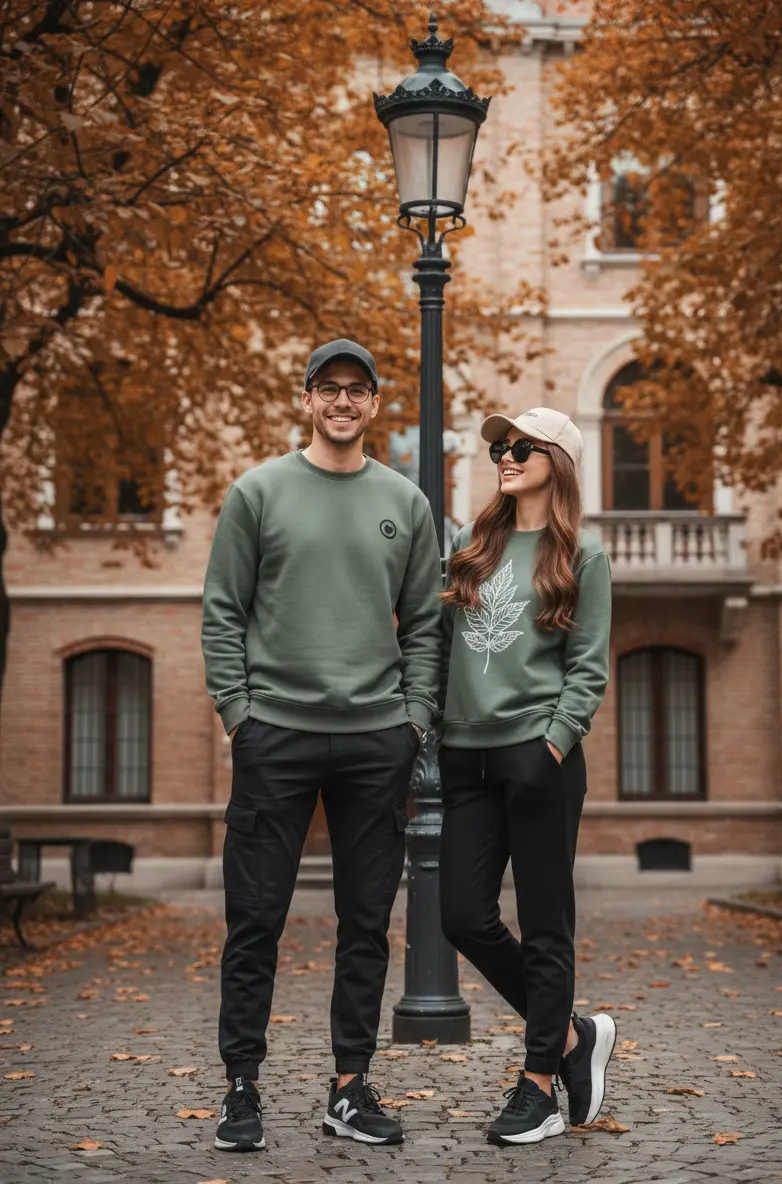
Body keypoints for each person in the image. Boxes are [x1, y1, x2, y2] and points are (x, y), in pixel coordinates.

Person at [201, 339, 441, 1152]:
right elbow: (223, 612)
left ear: (375, 405)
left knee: (365, 922)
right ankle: (241, 1088)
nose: (342, 401)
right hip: (276, 738)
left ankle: (350, 1086)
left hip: (376, 741)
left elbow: (428, 626)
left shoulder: (403, 502)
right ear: (306, 399)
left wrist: (411, 719)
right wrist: (240, 713)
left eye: (357, 390)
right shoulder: (257, 492)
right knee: (255, 920)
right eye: (328, 388)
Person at [438, 406, 615, 1146]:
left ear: (557, 460)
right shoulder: (473, 547)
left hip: (539, 757)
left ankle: (539, 1083)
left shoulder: (584, 555)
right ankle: (573, 1036)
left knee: (546, 927)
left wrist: (551, 747)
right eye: (499, 448)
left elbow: (589, 667)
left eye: (520, 447)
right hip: (466, 758)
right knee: (462, 916)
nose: (504, 456)